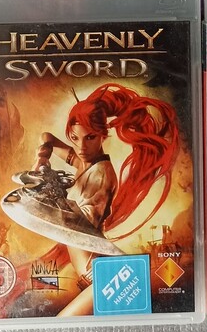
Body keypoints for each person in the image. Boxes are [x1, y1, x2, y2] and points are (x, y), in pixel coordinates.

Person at [30, 84, 180, 317]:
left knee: (62, 325)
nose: (81, 147)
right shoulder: (84, 162)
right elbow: (47, 137)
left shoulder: (101, 174)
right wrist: (43, 155)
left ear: (103, 135)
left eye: (90, 137)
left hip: (101, 275)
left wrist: (52, 191)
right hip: (98, 272)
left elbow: (81, 225)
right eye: (75, 138)